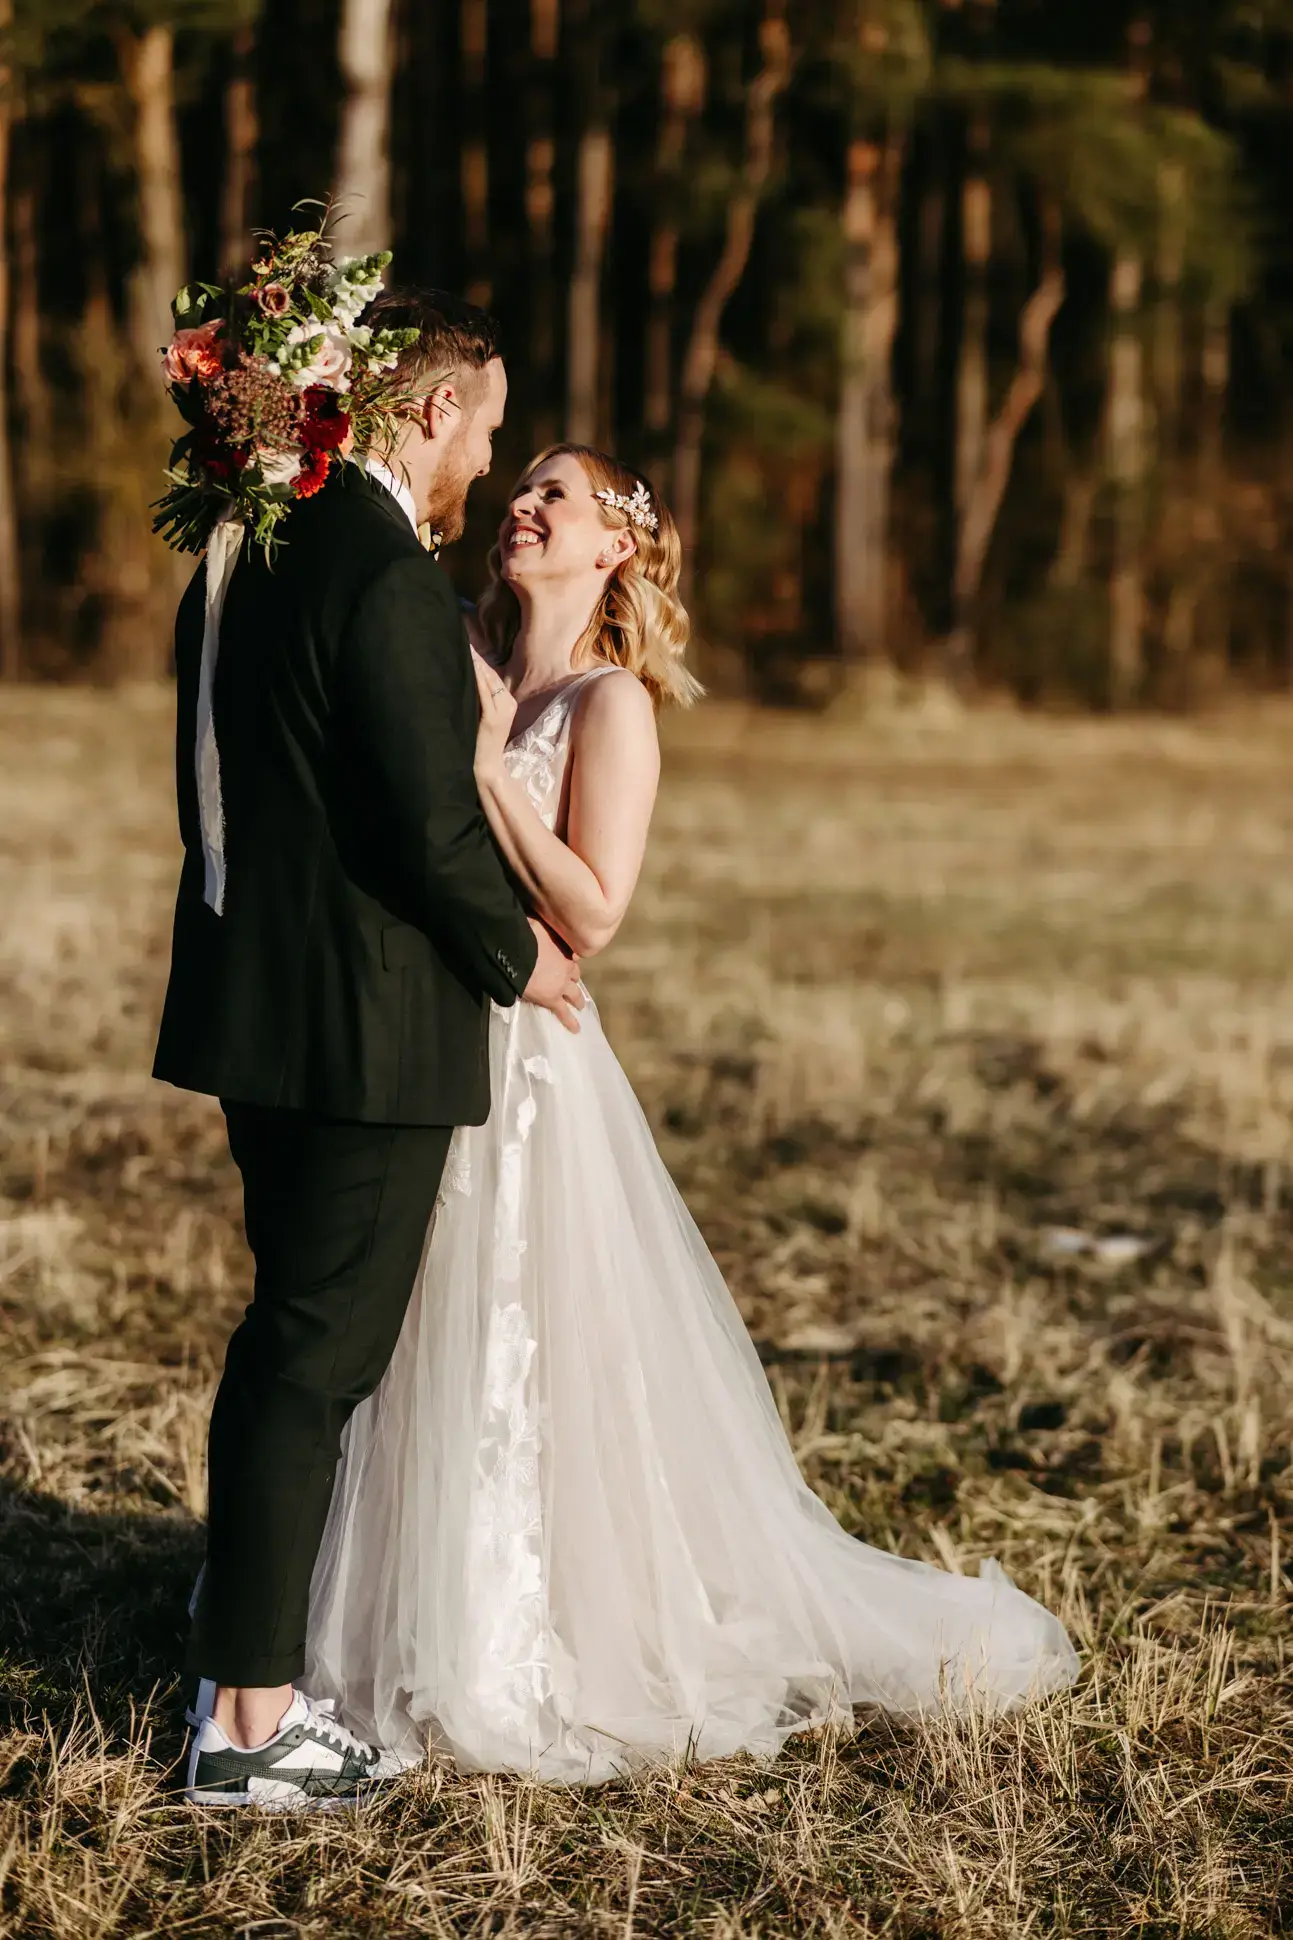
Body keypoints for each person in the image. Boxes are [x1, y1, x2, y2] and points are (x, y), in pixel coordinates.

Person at [303, 445, 1079, 1785]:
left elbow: (594, 912)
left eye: (558, 496)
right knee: (422, 1327)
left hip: (535, 1069)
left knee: (527, 1338)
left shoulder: (612, 707)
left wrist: (489, 770)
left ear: (614, 549)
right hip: (429, 1035)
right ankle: (401, 1614)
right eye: (522, 485)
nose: (522, 508)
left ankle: (529, 1631)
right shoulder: (473, 665)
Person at [154, 292, 585, 1810]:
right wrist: (516, 953)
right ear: (424, 411)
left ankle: (245, 1670)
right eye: (482, 420)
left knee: (292, 1340)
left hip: (262, 1014)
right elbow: (419, 818)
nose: (484, 455)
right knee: (310, 1359)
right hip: (365, 1031)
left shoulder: (250, 550)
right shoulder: (385, 571)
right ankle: (251, 1731)